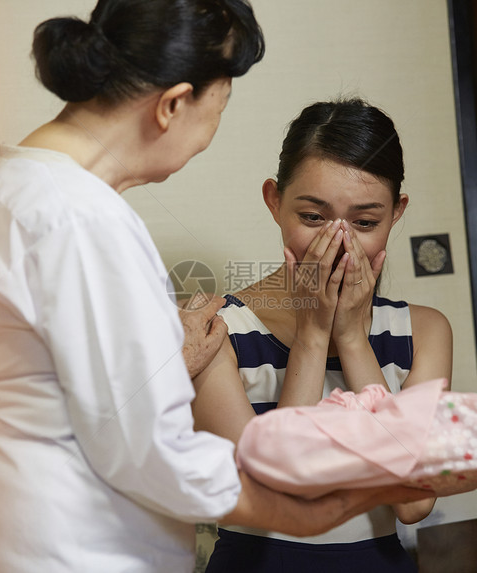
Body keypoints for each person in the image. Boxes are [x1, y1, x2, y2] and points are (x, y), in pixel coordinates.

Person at [0, 3, 431, 571]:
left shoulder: (2, 192)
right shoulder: (80, 220)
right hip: (72, 550)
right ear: (173, 104)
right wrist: (301, 509)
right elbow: (145, 449)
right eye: (219, 106)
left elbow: (46, 391)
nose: (207, 139)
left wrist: (166, 361)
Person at [191, 98, 454, 572]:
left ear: (396, 214)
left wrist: (352, 340)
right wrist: (313, 337)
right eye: (313, 218)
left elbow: (415, 503)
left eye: (365, 222)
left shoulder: (423, 332)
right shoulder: (215, 333)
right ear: (275, 202)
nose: (338, 243)